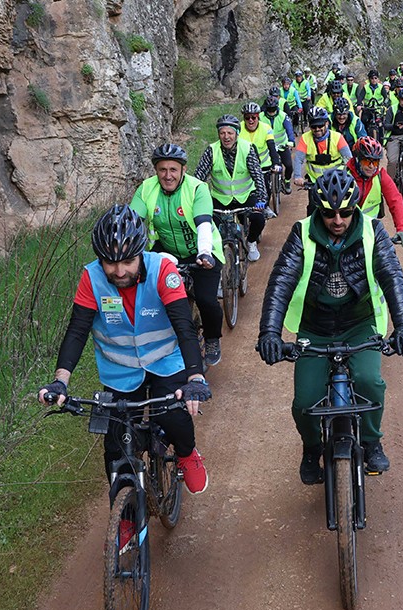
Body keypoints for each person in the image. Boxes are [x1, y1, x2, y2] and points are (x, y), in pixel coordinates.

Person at [256, 169, 403, 483]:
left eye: (345, 213)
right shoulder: (301, 232)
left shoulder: (373, 230)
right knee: (305, 401)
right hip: (314, 327)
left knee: (370, 381)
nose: (338, 221)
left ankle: (372, 441)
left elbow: (392, 277)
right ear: (319, 208)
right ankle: (311, 448)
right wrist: (270, 333)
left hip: (360, 323)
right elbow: (280, 283)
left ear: (355, 207)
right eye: (329, 214)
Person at [37, 205, 212, 496]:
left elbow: (184, 327)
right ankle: (127, 519)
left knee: (172, 416)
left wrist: (195, 378)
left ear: (141, 252)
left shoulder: (162, 270)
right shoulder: (91, 278)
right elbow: (77, 330)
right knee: (115, 446)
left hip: (165, 362)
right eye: (110, 262)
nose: (119, 271)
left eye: (128, 261)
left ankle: (186, 454)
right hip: (119, 371)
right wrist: (60, 380)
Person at [130, 143, 225, 366]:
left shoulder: (197, 188)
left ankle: (212, 338)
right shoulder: (146, 189)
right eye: (162, 170)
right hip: (165, 252)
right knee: (151, 298)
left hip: (202, 251)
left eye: (173, 169)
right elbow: (131, 223)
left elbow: (203, 223)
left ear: (183, 169)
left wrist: (204, 253)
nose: (168, 175)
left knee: (206, 299)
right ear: (156, 171)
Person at [195, 114, 268, 268]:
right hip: (220, 199)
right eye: (222, 133)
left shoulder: (247, 148)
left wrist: (261, 199)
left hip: (245, 196)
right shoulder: (211, 151)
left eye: (230, 133)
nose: (226, 137)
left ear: (236, 133)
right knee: (206, 227)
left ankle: (251, 241)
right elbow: (198, 178)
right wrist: (195, 199)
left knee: (258, 219)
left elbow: (258, 176)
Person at [345, 136, 403, 248]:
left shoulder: (380, 176)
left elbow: (395, 199)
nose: (372, 166)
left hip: (369, 232)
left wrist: (402, 228)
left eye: (375, 162)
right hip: (345, 233)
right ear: (357, 159)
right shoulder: (343, 175)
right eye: (367, 161)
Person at [292, 106, 353, 213]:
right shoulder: (306, 138)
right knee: (312, 209)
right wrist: (297, 176)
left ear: (327, 124)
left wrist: (346, 175)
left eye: (320, 125)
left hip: (336, 180)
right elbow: (298, 159)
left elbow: (348, 159)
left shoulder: (337, 137)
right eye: (313, 126)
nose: (317, 129)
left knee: (341, 208)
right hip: (315, 181)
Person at [239, 101, 281, 216]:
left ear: (258, 117)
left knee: (265, 188)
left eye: (254, 117)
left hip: (263, 164)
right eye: (247, 118)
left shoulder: (266, 128)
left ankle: (265, 206)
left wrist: (276, 163)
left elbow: (272, 148)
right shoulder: (238, 128)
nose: (251, 120)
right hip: (245, 166)